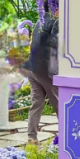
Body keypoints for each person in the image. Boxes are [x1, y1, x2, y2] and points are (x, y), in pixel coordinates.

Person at [25, 9, 59, 145]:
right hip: (45, 70)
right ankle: (67, 137)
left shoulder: (40, 19)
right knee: (59, 104)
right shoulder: (56, 22)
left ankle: (32, 137)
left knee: (36, 104)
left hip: (32, 67)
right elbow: (56, 46)